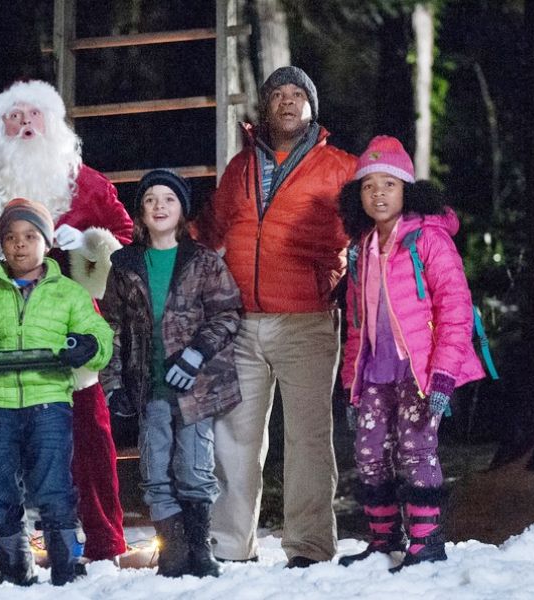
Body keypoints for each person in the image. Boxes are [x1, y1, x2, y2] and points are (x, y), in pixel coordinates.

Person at [0, 79, 132, 565]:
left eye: (35, 115)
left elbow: (127, 243)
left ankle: (104, 541)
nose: (25, 124)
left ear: (54, 125)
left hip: (67, 337)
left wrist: (89, 241)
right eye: (14, 116)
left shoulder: (86, 183)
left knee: (90, 434)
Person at [196, 66, 356, 567]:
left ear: (311, 107)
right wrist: (163, 241)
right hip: (241, 320)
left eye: (297, 95)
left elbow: (371, 227)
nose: (287, 102)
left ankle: (308, 546)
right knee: (235, 434)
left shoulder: (340, 168)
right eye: (278, 95)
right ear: (264, 108)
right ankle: (229, 543)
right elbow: (212, 231)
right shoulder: (240, 167)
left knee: (309, 438)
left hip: (307, 318)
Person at [0, 198, 113, 586]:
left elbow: (99, 332)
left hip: (49, 402)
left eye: (29, 236)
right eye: (10, 237)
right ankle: (14, 563)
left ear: (47, 242)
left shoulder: (68, 292)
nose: (19, 244)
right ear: (1, 245)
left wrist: (88, 344)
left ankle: (66, 560)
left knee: (54, 486)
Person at [337, 136, 486, 571]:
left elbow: (455, 310)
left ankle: (427, 542)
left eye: (389, 184)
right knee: (368, 452)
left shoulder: (429, 241)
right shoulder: (362, 248)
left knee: (415, 449)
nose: (378, 194)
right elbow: (356, 325)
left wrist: (443, 376)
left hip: (420, 372)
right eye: (368, 185)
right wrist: (351, 383)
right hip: (376, 373)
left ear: (407, 190)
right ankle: (383, 540)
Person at [99, 170, 243, 578]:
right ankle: (173, 549)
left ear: (181, 211)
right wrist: (113, 384)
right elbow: (110, 326)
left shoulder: (203, 261)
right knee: (156, 466)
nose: (159, 206)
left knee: (194, 465)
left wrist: (196, 355)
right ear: (140, 212)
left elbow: (226, 313)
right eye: (150, 200)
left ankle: (200, 545)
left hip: (195, 387)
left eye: (168, 199)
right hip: (150, 385)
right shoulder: (125, 266)